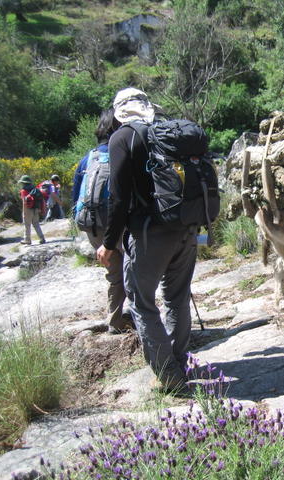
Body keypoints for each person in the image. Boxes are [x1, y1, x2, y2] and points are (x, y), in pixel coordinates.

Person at [96, 87, 197, 395]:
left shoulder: (121, 138)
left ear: (118, 113)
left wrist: (110, 242)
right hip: (186, 228)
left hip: (148, 234)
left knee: (141, 303)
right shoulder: (169, 132)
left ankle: (168, 376)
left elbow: (119, 198)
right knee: (177, 297)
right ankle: (178, 362)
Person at [73, 108, 133, 335]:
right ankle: (141, 318)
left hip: (94, 226)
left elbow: (75, 195)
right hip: (121, 225)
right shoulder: (123, 154)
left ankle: (115, 320)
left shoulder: (87, 159)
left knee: (114, 274)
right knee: (133, 270)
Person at [18, 175, 46, 245]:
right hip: (36, 209)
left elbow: (24, 202)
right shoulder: (36, 189)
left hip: (28, 209)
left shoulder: (23, 191)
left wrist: (24, 213)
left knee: (27, 225)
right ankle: (42, 238)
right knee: (36, 224)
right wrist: (42, 209)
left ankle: (27, 240)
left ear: (23, 183)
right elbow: (41, 200)